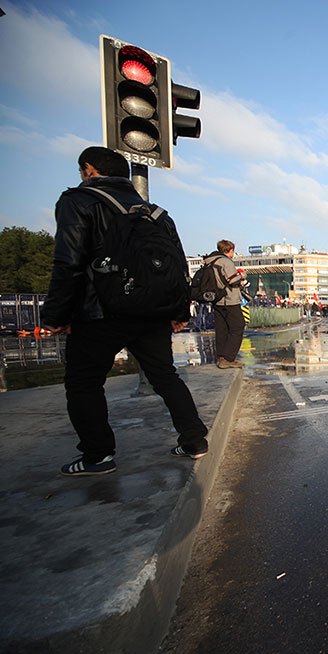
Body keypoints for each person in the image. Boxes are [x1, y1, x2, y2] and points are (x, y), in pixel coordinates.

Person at [41, 146, 209, 476]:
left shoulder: (78, 201)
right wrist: (179, 311)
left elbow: (68, 263)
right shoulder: (158, 214)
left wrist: (56, 315)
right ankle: (194, 441)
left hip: (100, 311)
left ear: (88, 170)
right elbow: (176, 268)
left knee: (84, 383)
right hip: (152, 312)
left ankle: (98, 455)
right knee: (165, 376)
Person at [203, 240, 247, 368]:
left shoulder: (210, 261)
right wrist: (241, 276)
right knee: (238, 326)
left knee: (222, 329)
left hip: (217, 300)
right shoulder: (225, 262)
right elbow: (232, 280)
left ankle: (220, 356)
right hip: (229, 299)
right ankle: (228, 358)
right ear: (230, 250)